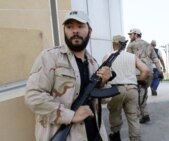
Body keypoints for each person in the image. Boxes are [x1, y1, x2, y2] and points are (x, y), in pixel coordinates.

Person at [25, 10, 113, 141]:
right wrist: (70, 116)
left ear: (90, 30)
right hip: (64, 135)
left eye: (80, 26)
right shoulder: (50, 57)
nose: (74, 31)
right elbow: (33, 96)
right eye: (69, 26)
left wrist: (103, 82)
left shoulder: (93, 63)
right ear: (64, 30)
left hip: (94, 133)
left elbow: (105, 100)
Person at [103, 35, 149, 141]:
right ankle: (135, 139)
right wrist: (139, 81)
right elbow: (146, 70)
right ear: (124, 45)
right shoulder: (132, 57)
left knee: (114, 113)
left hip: (115, 90)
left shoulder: (107, 56)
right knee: (133, 117)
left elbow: (104, 74)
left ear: (113, 44)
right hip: (132, 89)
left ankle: (116, 135)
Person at [127, 28, 163, 124]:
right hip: (149, 72)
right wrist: (160, 71)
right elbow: (155, 59)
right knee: (143, 93)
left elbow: (128, 60)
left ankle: (141, 115)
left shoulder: (130, 45)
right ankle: (145, 114)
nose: (129, 36)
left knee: (137, 95)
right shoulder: (149, 45)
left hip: (138, 73)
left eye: (131, 34)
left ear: (135, 34)